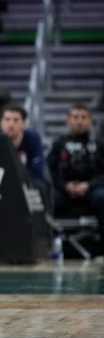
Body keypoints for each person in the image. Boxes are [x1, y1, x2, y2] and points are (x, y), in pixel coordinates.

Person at [46, 105, 104, 248]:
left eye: (84, 117)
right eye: (75, 117)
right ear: (68, 121)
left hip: (92, 190)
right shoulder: (59, 144)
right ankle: (48, 245)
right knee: (47, 199)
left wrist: (89, 185)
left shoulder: (98, 144)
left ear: (90, 121)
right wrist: (65, 186)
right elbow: (48, 171)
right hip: (64, 190)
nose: (79, 121)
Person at [0, 103, 49, 196]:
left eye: (15, 120)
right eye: (7, 119)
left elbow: (37, 170)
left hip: (28, 181)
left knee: (41, 185)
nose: (11, 124)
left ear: (23, 124)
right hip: (3, 182)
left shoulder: (33, 138)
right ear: (1, 123)